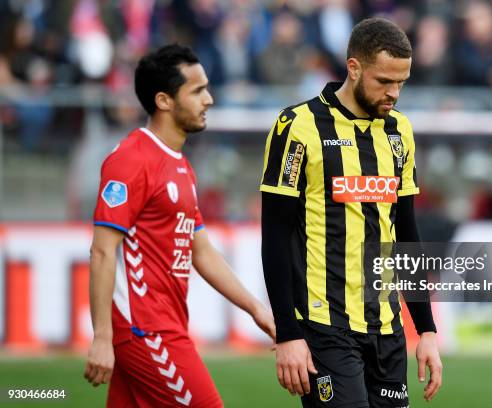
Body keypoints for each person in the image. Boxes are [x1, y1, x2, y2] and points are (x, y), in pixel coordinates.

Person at [260, 18, 442, 407]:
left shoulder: (399, 132)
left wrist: (425, 329)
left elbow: (406, 232)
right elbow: (275, 234)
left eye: (402, 82)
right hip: (324, 326)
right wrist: (287, 333)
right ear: (354, 67)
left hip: (387, 326)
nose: (394, 92)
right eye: (384, 81)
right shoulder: (297, 126)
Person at [84, 44, 275, 407]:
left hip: (161, 325)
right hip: (145, 329)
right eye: (198, 90)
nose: (210, 99)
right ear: (164, 100)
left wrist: (255, 308)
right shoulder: (130, 160)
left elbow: (200, 250)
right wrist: (102, 338)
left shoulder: (180, 166)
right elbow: (102, 250)